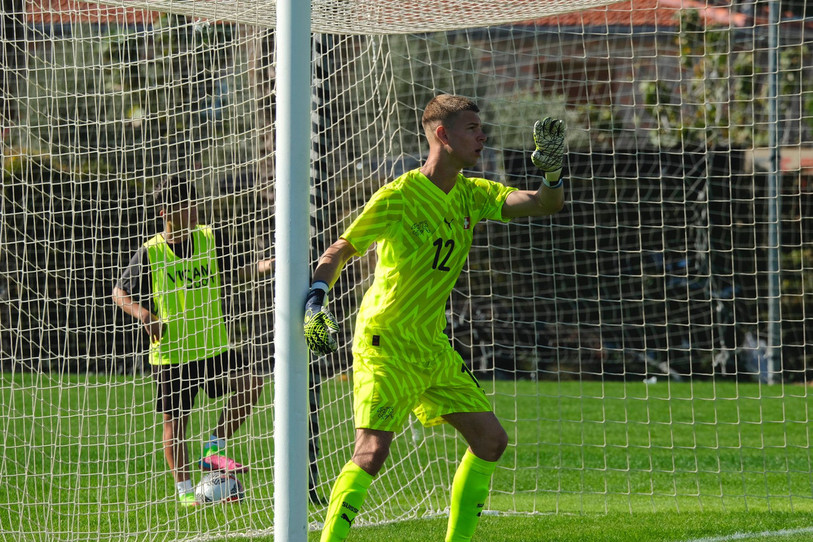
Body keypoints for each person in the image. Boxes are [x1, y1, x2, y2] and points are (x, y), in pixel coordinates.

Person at [303, 94, 566, 541]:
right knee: (371, 452)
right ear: (442, 135)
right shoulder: (399, 195)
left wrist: (553, 171)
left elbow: (544, 204)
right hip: (384, 340)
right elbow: (340, 250)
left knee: (490, 441)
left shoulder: (472, 193)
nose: (482, 135)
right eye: (471, 128)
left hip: (431, 345)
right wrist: (315, 302)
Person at [112, 175, 274, 507]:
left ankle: (214, 448)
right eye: (185, 205)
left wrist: (262, 267)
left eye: (194, 203)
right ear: (165, 212)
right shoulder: (151, 252)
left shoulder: (210, 238)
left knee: (252, 384)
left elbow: (237, 267)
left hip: (213, 347)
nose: (193, 210)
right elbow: (119, 292)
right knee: (175, 425)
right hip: (171, 354)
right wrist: (144, 315)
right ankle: (187, 495)